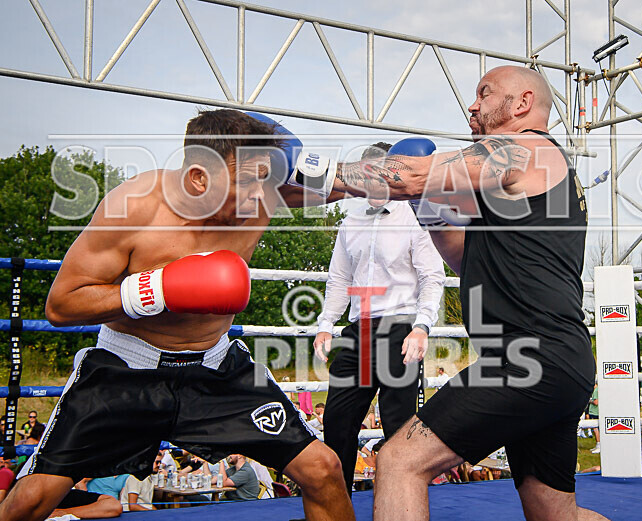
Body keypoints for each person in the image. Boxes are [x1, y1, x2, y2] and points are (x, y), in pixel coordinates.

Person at [0, 110, 355, 521]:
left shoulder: (262, 190)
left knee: (323, 469)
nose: (262, 196)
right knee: (30, 501)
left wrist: (337, 171)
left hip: (216, 367)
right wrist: (156, 289)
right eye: (247, 182)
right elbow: (61, 305)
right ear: (200, 178)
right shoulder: (134, 209)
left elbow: (342, 188)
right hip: (126, 370)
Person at [290, 65, 605, 520]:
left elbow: (414, 173)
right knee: (556, 515)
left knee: (399, 460)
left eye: (484, 93)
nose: (472, 105)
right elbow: (464, 258)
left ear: (522, 103)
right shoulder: (521, 176)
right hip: (554, 360)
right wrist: (427, 206)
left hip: (531, 359)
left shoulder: (524, 148)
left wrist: (311, 169)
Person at [313, 141, 445, 496]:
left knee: (398, 424)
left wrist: (422, 327)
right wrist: (326, 324)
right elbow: (339, 279)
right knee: (337, 420)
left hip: (401, 330)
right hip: (358, 332)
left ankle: (400, 505)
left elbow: (432, 277)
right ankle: (337, 507)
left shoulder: (415, 216)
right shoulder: (351, 221)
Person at [587, 382, 600, 454]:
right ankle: (597, 445)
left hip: (595, 412)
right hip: (594, 412)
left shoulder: (596, 390)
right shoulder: (597, 390)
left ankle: (599, 445)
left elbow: (596, 402)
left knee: (596, 429)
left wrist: (589, 400)